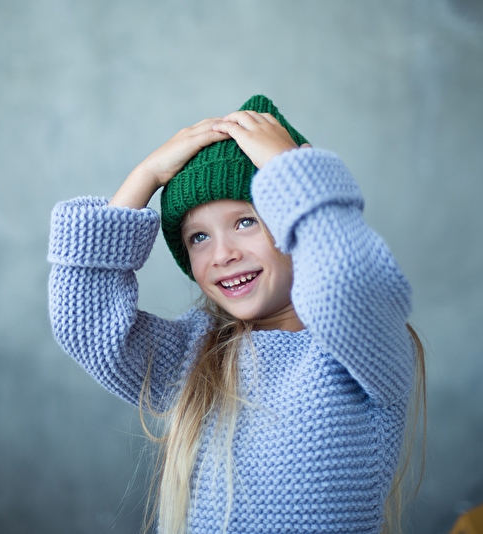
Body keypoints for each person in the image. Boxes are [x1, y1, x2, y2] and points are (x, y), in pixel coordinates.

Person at [47, 95, 425, 534]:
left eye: (246, 222)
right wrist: (145, 176)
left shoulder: (365, 348)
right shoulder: (197, 355)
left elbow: (346, 283)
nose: (222, 254)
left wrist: (291, 169)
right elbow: (82, 323)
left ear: (295, 217)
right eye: (199, 237)